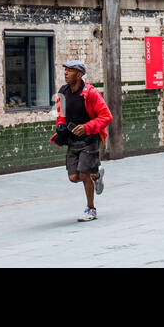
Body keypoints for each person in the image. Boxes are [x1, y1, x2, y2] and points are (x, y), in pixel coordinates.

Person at [50, 60, 112, 222]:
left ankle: (91, 209)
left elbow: (106, 117)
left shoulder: (91, 93)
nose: (66, 73)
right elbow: (61, 115)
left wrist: (87, 127)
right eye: (65, 70)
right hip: (73, 140)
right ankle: (96, 174)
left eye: (70, 70)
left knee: (84, 174)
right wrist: (61, 128)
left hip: (90, 139)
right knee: (74, 177)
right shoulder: (63, 91)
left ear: (79, 74)